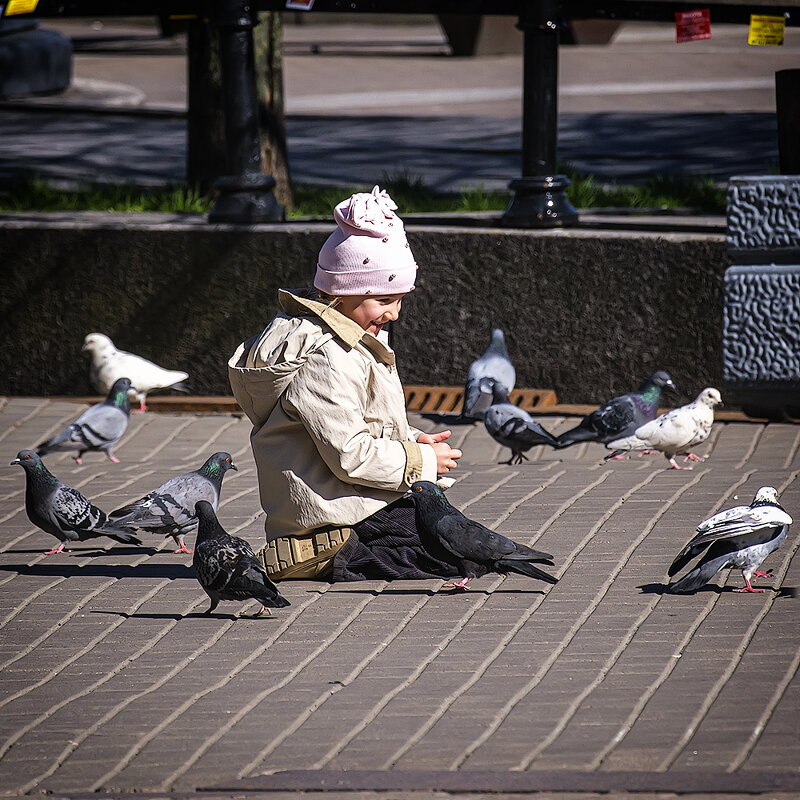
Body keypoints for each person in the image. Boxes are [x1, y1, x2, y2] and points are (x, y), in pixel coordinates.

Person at [228, 186, 463, 581]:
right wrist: (419, 462)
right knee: (450, 555)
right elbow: (350, 454)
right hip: (330, 506)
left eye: (401, 300)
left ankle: (346, 548)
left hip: (356, 495)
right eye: (385, 301)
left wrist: (411, 438)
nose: (395, 314)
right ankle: (322, 551)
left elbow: (365, 420)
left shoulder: (356, 341)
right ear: (343, 293)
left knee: (459, 536)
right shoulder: (326, 357)